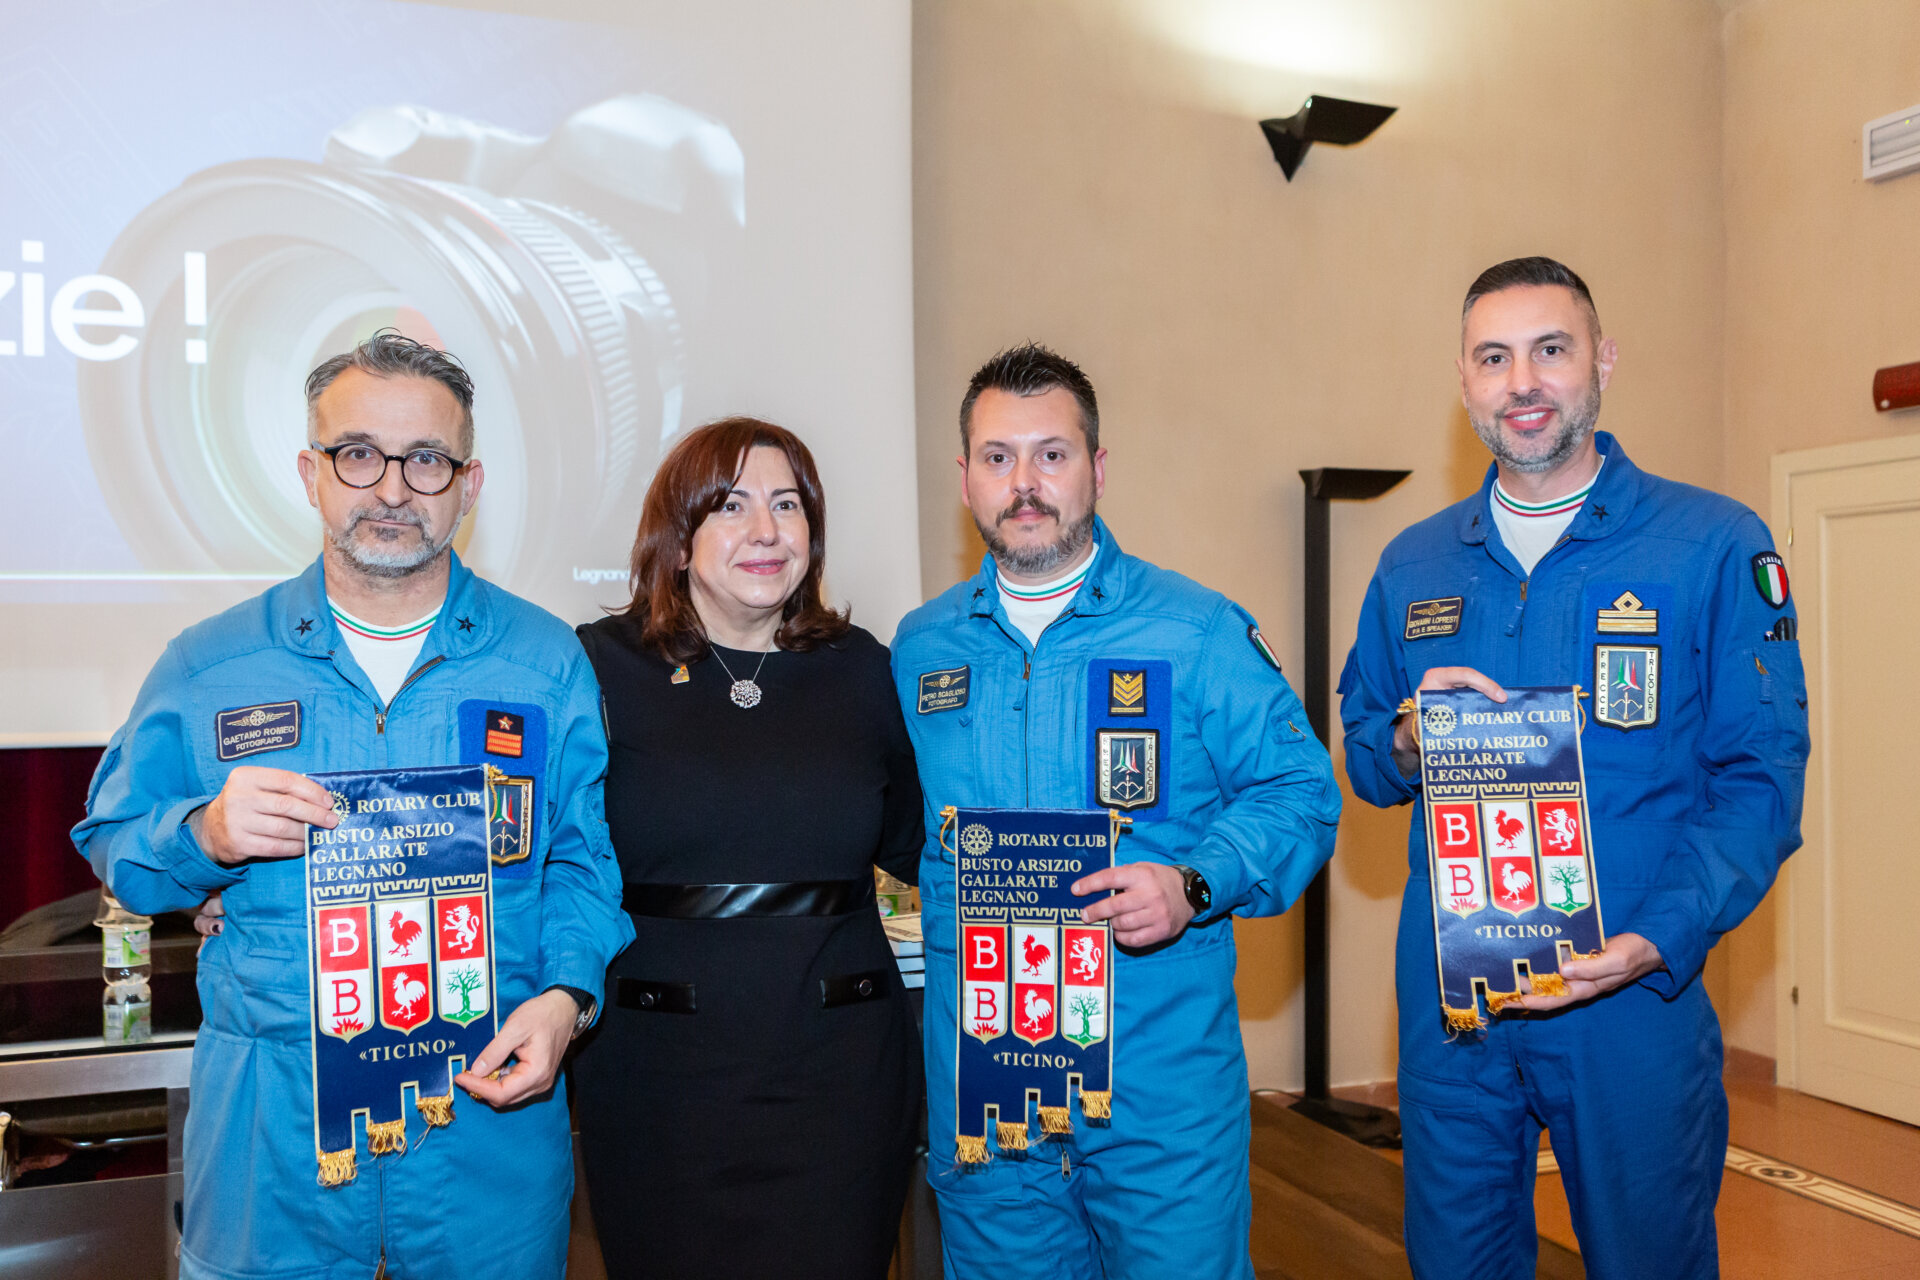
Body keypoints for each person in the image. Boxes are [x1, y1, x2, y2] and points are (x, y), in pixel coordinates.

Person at [72, 331, 631, 1280]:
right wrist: (204, 835)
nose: (393, 489)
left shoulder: (542, 663)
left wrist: (569, 999)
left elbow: (581, 862)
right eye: (358, 454)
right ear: (312, 472)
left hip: (482, 1146)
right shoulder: (210, 666)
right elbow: (115, 840)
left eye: (427, 460)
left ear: (470, 482)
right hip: (271, 1156)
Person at [1339, 257, 1809, 1280]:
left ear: (1602, 361)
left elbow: (1761, 779)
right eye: (1494, 357)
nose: (1524, 382)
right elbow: (1366, 746)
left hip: (1629, 997)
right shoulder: (1414, 563)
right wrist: (1409, 738)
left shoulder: (1713, 545)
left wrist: (1657, 938)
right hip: (1455, 1007)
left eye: (1551, 349)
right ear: (1464, 382)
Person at [890, 343, 1342, 1279]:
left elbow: (1303, 793)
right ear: (964, 477)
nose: (1025, 483)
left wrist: (1192, 881)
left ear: (1097, 469)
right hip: (992, 1092)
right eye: (998, 456)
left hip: (1157, 1092)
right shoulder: (919, 647)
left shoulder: (1196, 630)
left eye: (1052, 455)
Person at [571, 417, 923, 1279]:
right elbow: (548, 853)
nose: (766, 530)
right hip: (659, 1075)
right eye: (730, 506)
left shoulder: (862, 670)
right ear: (679, 539)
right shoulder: (597, 666)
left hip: (841, 1071)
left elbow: (919, 846)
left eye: (788, 504)